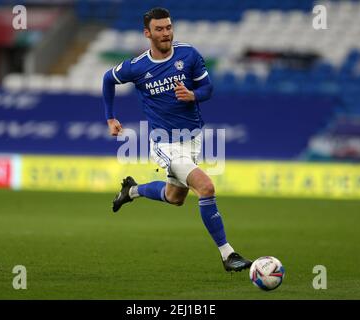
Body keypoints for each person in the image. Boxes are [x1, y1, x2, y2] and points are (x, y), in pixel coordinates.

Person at [102, 7, 252, 272]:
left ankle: (132, 190)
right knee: (205, 187)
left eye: (169, 27)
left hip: (193, 139)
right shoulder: (137, 67)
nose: (166, 33)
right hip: (164, 143)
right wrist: (110, 117)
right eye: (159, 29)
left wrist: (193, 95)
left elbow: (207, 88)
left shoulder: (188, 54)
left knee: (175, 197)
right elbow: (107, 79)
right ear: (147, 33)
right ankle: (228, 255)